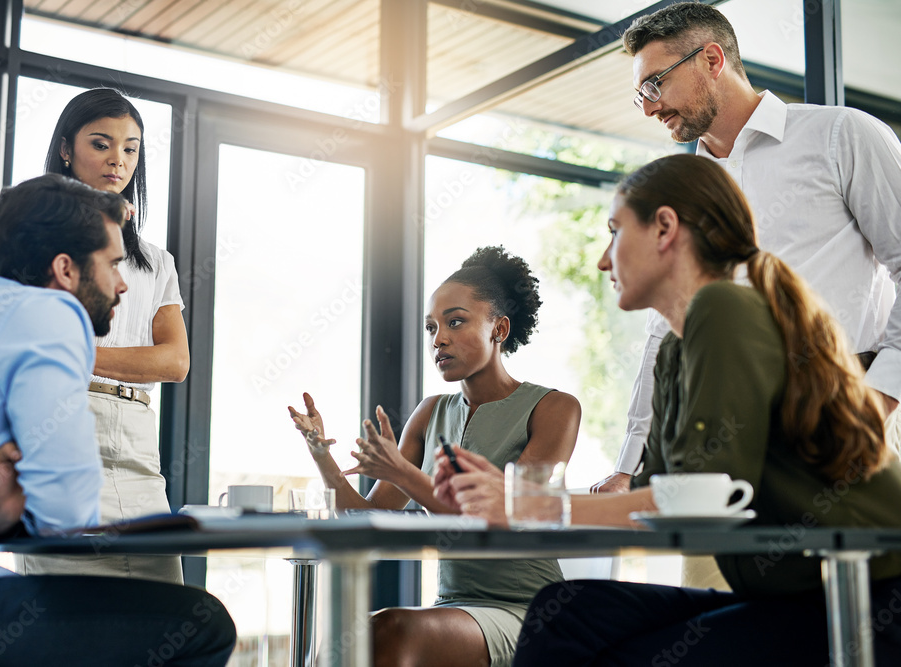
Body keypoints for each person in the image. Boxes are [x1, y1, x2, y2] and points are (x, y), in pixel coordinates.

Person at [436, 155, 901, 665]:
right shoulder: (677, 351)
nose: (603, 261)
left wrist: (532, 506)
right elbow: (652, 501)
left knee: (615, 644)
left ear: (664, 228)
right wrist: (514, 498)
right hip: (795, 599)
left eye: (614, 232)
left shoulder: (723, 309)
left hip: (869, 602)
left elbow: (701, 496)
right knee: (566, 609)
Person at [0, 175, 235, 666]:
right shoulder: (52, 313)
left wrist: (1, 502)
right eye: (113, 265)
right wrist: (21, 500)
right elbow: (67, 509)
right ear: (65, 269)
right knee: (202, 623)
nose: (122, 284)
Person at [592, 2, 901, 498]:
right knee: (714, 576)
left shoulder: (842, 136)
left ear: (711, 60)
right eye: (640, 96)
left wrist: (879, 398)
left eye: (655, 85)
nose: (649, 107)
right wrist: (631, 464)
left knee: (848, 574)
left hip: (843, 426)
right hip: (720, 443)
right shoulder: (680, 193)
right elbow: (661, 331)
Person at [288, 246, 581, 667]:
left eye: (455, 322)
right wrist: (320, 451)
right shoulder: (430, 413)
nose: (438, 338)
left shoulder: (555, 408)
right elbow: (366, 520)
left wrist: (404, 474)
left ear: (499, 329)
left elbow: (509, 515)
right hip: (454, 605)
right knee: (344, 642)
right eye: (430, 328)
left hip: (529, 611)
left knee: (389, 631)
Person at [15, 88, 188, 584]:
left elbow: (174, 363)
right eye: (101, 143)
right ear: (66, 149)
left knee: (160, 612)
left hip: (136, 442)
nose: (118, 159)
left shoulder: (156, 261)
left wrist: (75, 351)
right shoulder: (32, 236)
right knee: (64, 618)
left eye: (131, 148)